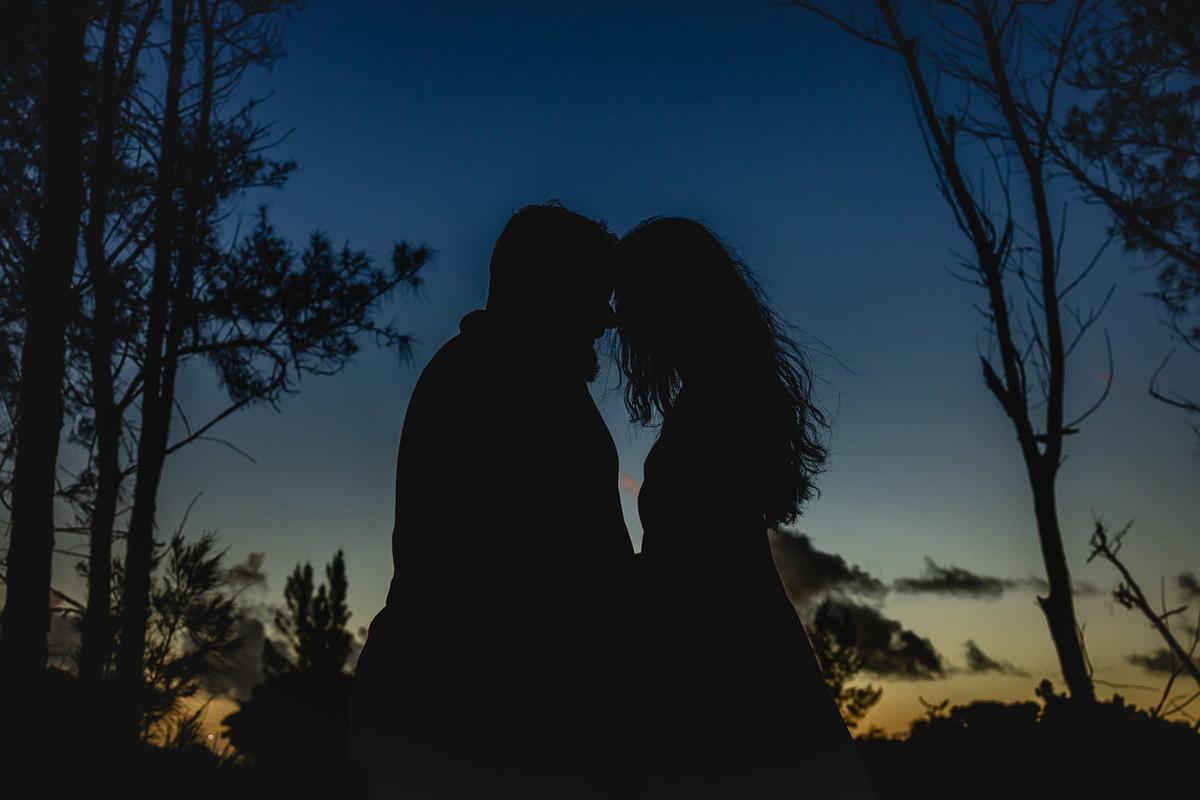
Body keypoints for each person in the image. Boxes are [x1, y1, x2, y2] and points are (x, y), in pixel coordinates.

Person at [349, 204, 638, 799]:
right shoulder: (508, 384)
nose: (607, 319)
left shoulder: (495, 373)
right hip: (487, 732)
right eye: (593, 293)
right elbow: (561, 577)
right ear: (548, 287)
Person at [614, 216, 878, 799]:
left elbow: (700, 566)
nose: (617, 319)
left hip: (727, 676)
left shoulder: (716, 406)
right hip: (738, 663)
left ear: (672, 298)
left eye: (628, 298)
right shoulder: (721, 394)